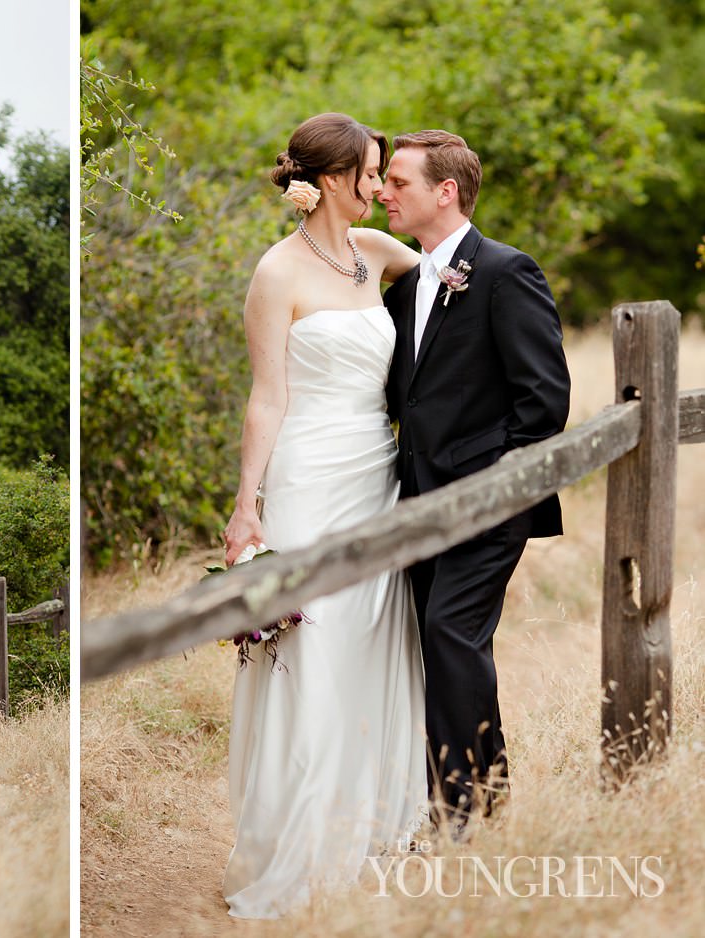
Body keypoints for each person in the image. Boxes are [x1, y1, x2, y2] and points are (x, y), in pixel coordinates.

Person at [220, 112, 427, 918]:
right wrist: (248, 505)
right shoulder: (276, 273)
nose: (381, 188)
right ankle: (298, 849)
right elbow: (267, 397)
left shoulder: (375, 254)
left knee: (374, 641)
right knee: (315, 647)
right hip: (309, 478)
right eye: (374, 174)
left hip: (377, 475)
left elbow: (452, 270)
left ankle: (368, 833)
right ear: (336, 178)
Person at [379, 130, 569, 829]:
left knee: (449, 632)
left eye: (399, 182)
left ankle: (459, 812)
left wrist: (490, 487)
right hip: (414, 504)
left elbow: (543, 401)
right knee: (444, 642)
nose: (385, 192)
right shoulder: (405, 284)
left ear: (446, 191)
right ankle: (483, 798)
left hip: (488, 503)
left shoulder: (504, 271)